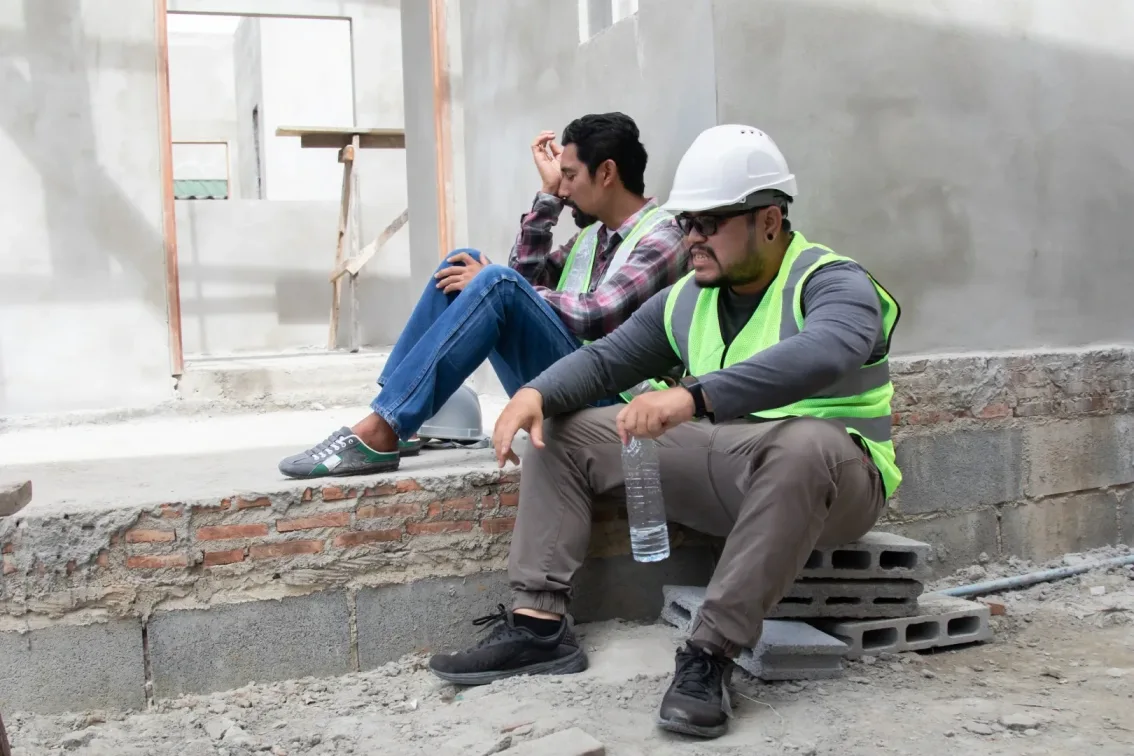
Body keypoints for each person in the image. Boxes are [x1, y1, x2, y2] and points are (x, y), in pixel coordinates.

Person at [427, 125, 903, 739]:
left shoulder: (834, 281)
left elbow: (828, 350)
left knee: (803, 444)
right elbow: (604, 360)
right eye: (686, 222)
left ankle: (708, 655)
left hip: (834, 479)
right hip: (729, 468)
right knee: (565, 430)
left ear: (768, 220)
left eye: (709, 222)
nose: (693, 238)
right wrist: (534, 394)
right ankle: (537, 626)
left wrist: (693, 396)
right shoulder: (689, 297)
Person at [279, 112, 688, 478]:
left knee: (493, 280)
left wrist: (497, 283)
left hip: (615, 403)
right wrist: (545, 199)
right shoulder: (591, 238)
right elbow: (524, 277)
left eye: (568, 175)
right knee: (466, 262)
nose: (563, 189)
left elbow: (598, 314)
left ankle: (382, 429)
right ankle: (397, 418)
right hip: (562, 383)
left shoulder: (662, 237)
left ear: (607, 173)